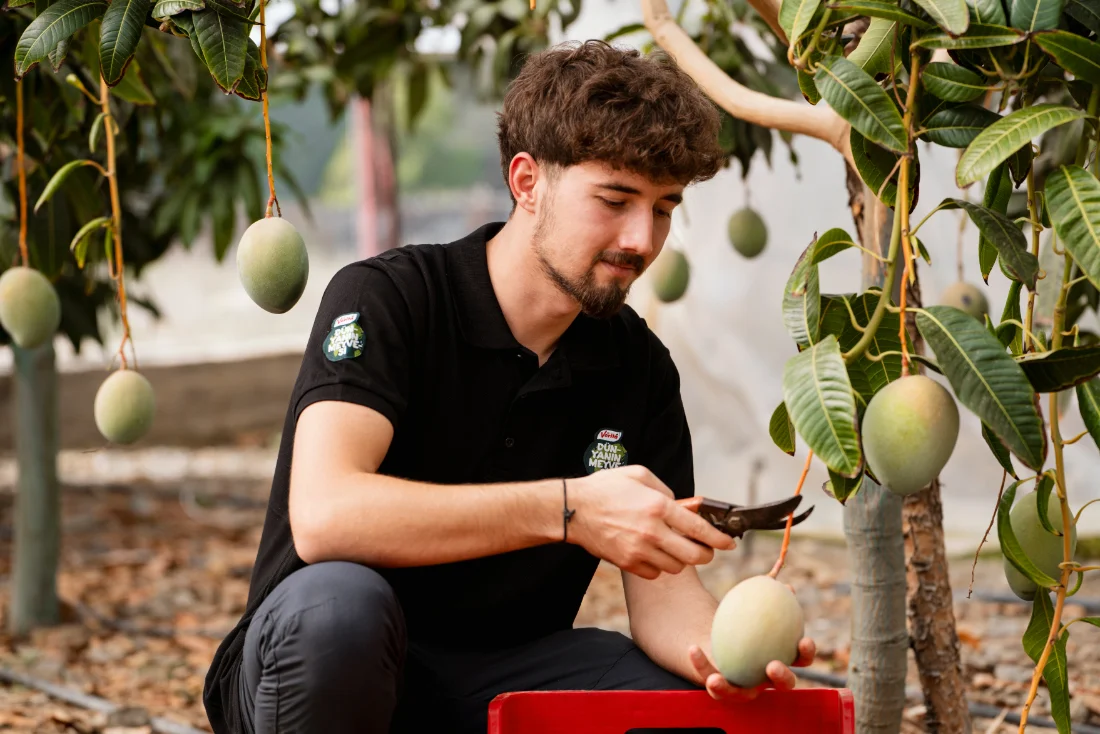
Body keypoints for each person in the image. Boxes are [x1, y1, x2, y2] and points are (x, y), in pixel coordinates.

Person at [202, 39, 816, 734]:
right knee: (340, 611)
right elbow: (325, 515)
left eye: (664, 208)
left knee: (687, 714)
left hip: (500, 677)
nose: (642, 240)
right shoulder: (390, 299)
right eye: (615, 200)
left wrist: (729, 661)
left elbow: (665, 601)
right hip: (320, 667)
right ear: (527, 182)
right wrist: (569, 511)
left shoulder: (639, 369)